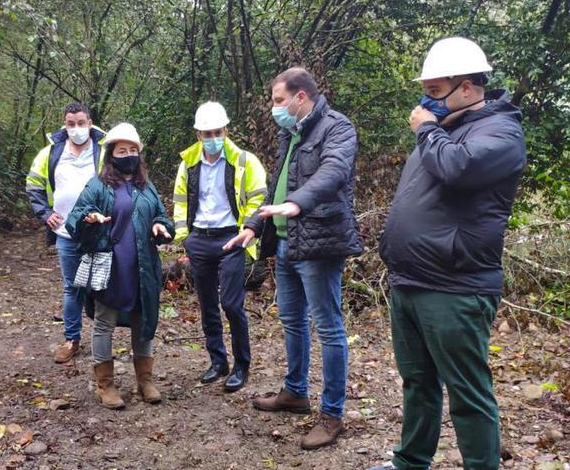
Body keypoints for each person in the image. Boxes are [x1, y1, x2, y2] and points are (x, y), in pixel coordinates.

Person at [368, 37, 526, 470]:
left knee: (467, 391)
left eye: (436, 92)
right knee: (418, 382)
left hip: (455, 286)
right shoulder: (445, 131)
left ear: (470, 87)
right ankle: (410, 461)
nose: (425, 102)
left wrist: (426, 128)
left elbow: (458, 168)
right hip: (410, 281)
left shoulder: (502, 132)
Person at [226, 67, 363, 449]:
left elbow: (334, 172)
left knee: (329, 327)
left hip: (319, 243)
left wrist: (295, 204)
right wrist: (255, 224)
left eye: (278, 100)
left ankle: (332, 415)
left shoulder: (338, 127)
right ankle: (295, 393)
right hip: (286, 244)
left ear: (300, 97)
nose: (275, 109)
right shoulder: (292, 132)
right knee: (293, 322)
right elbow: (277, 186)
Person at [66, 123, 174, 410]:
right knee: (104, 323)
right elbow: (75, 215)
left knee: (143, 320)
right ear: (111, 154)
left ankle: (145, 380)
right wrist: (89, 217)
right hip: (110, 266)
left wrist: (162, 225)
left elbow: (162, 215)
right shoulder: (98, 185)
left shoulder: (146, 186)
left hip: (143, 266)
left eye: (133, 150)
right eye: (122, 150)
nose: (128, 155)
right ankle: (106, 385)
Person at [172, 101, 267, 392]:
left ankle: (241, 365)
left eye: (218, 132)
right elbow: (180, 201)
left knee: (231, 303)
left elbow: (258, 197)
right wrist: (184, 237)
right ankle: (217, 361)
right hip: (200, 238)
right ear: (198, 134)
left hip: (231, 238)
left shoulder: (244, 160)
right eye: (206, 133)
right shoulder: (188, 162)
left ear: (226, 130)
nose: (213, 138)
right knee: (208, 304)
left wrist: (248, 230)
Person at [25, 103, 107, 363]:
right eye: (71, 124)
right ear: (64, 124)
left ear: (90, 123)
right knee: (72, 287)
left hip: (99, 231)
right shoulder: (51, 153)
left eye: (81, 123)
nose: (76, 129)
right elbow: (33, 185)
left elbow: (117, 185)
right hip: (65, 233)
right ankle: (72, 338)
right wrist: (45, 213)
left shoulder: (103, 151)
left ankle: (102, 339)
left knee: (101, 286)